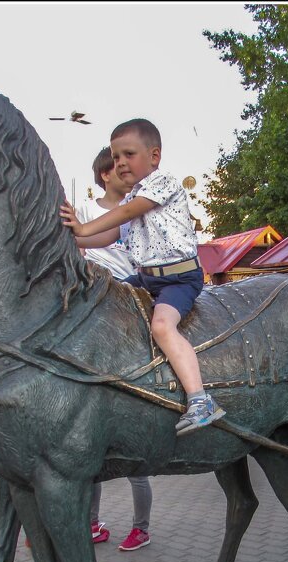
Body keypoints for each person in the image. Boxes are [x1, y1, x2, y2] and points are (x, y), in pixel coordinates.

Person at [60, 118, 224, 436]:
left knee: (162, 326)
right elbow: (107, 236)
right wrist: (71, 237)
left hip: (178, 279)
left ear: (154, 156)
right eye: (115, 156)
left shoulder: (161, 184)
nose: (120, 162)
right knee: (100, 300)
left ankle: (201, 401)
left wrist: (81, 227)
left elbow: (124, 214)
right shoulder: (127, 199)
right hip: (146, 278)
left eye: (128, 154)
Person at [77, 146, 154, 551]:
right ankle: (89, 524)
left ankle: (142, 525)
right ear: (105, 174)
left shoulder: (140, 206)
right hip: (101, 298)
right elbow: (77, 248)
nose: (128, 174)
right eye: (120, 169)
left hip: (135, 292)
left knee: (135, 462)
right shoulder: (88, 210)